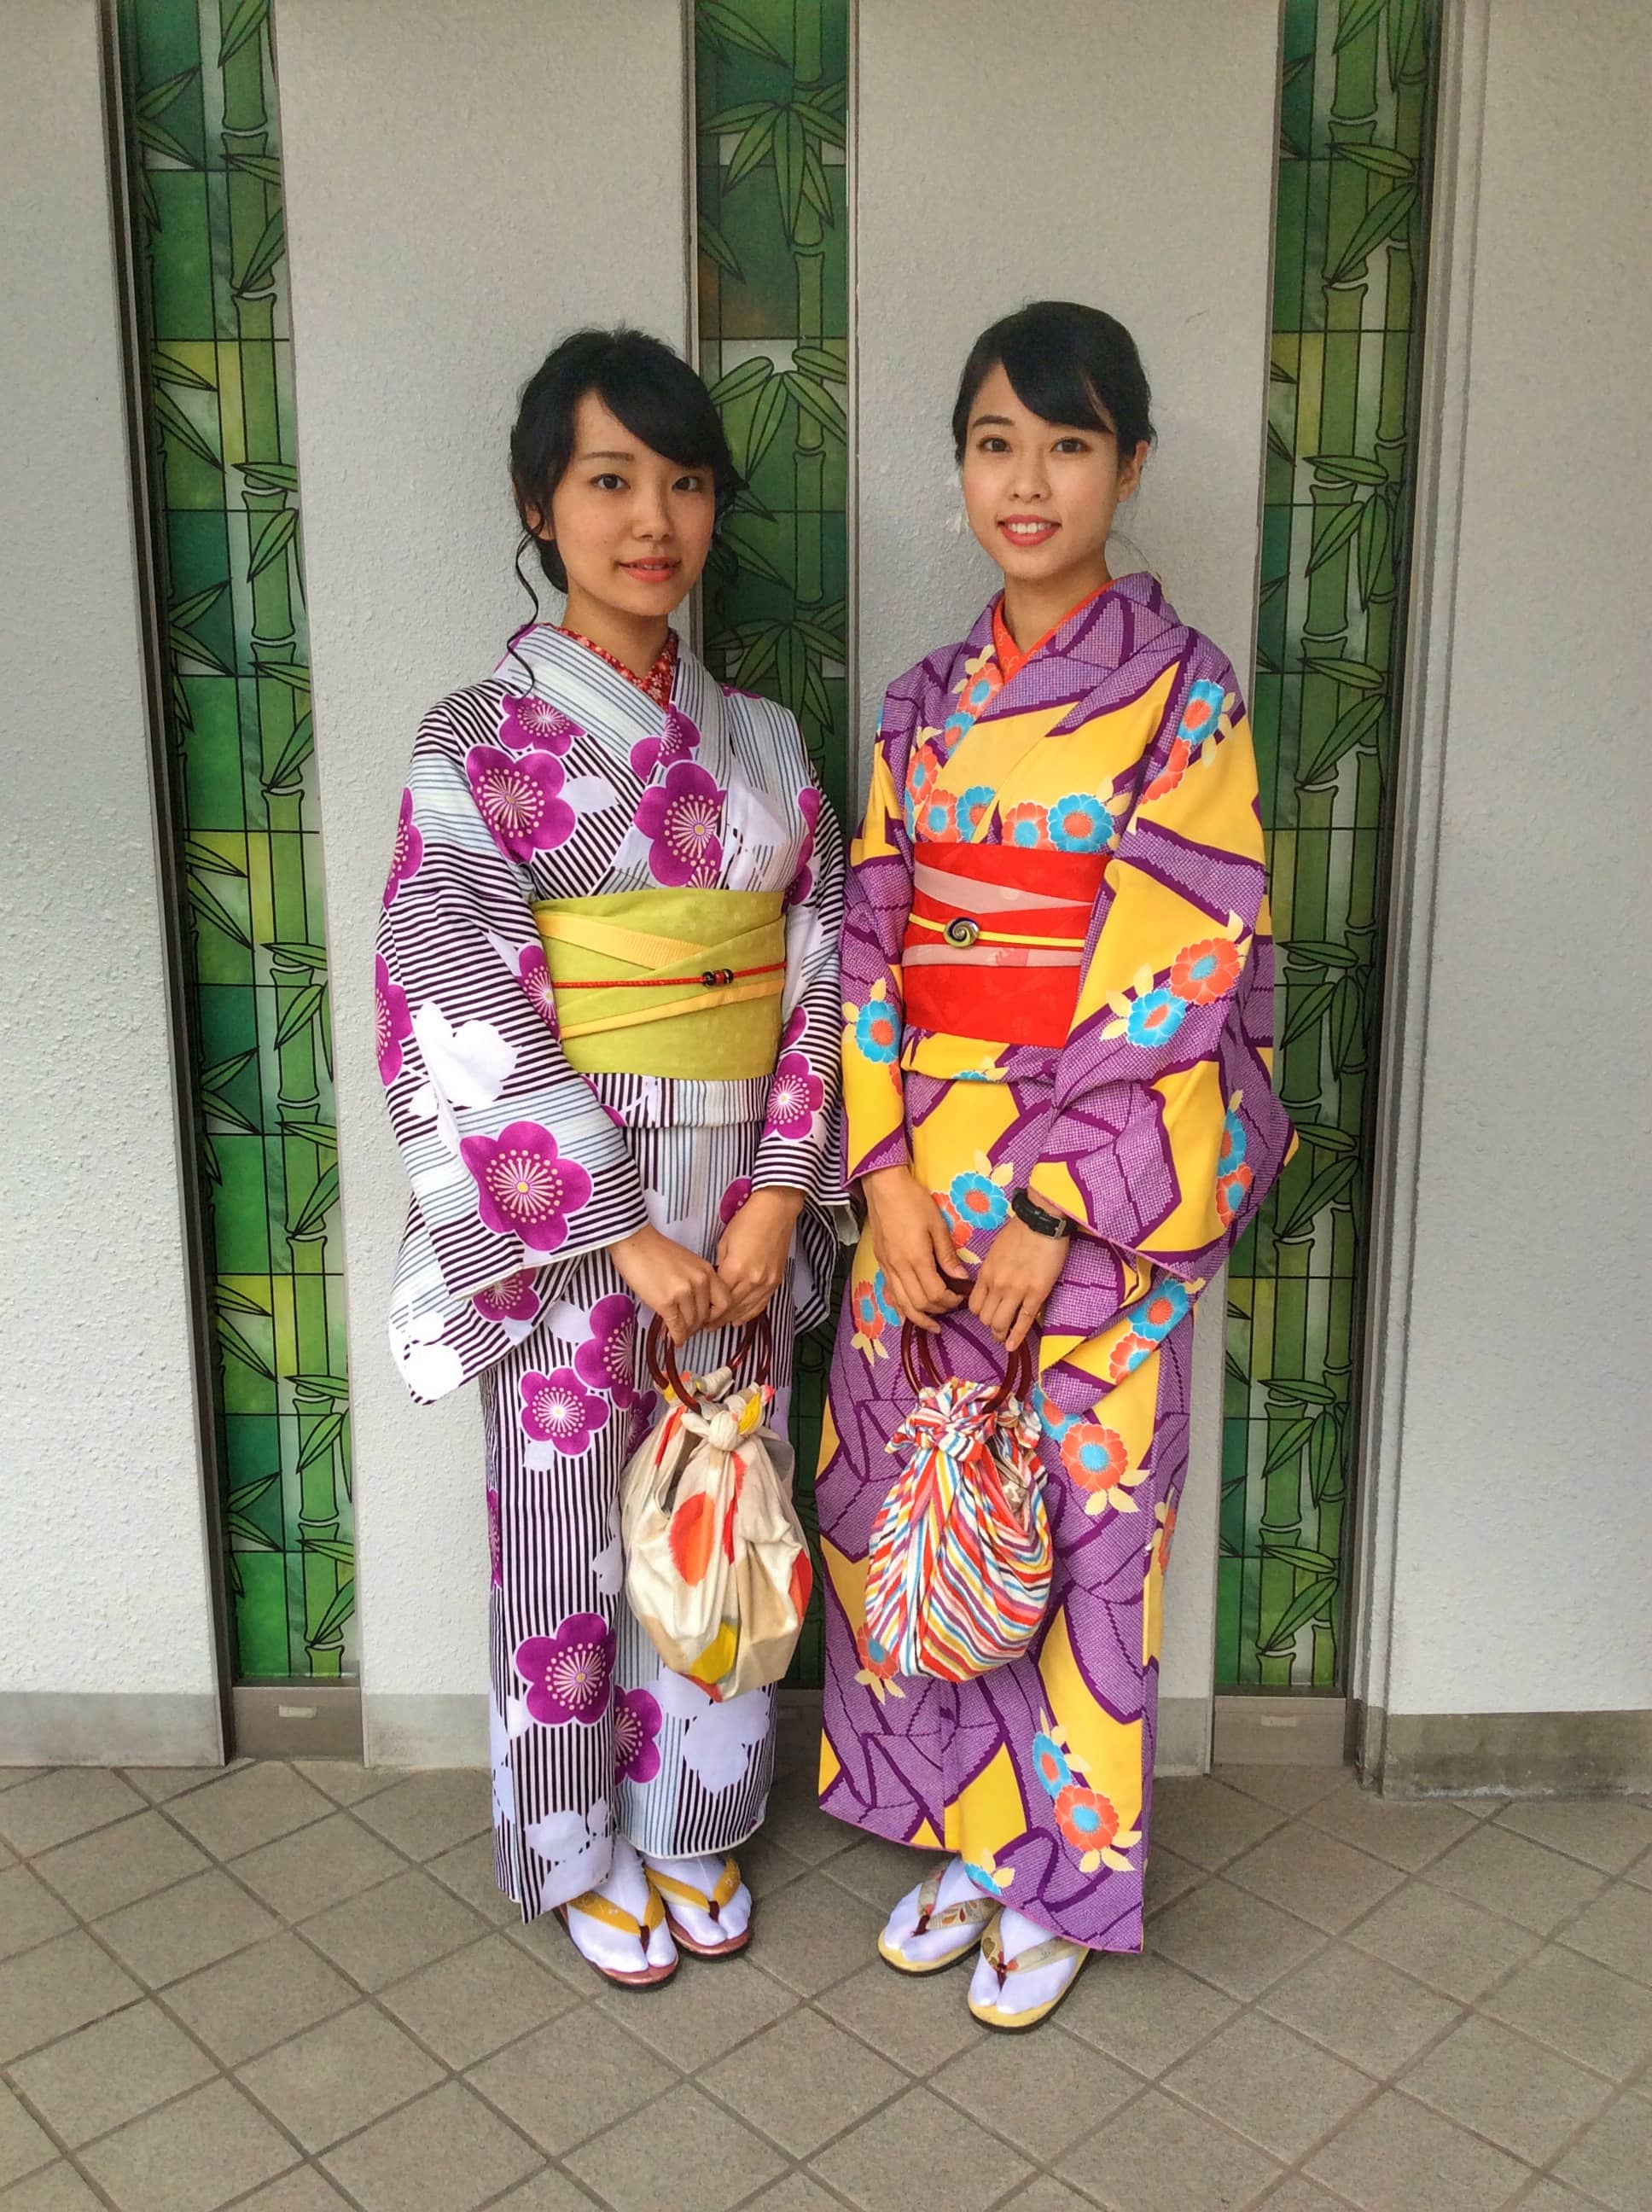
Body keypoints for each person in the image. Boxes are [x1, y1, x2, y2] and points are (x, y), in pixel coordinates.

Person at [816, 300, 1292, 2029]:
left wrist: (1048, 1198)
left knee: (1087, 1525)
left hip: (1091, 1177)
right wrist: (882, 1178)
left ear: (1129, 466)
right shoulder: (918, 705)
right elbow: (869, 943)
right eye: (995, 444)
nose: (1027, 482)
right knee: (927, 1500)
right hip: (921, 1181)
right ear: (959, 468)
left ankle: (1065, 1881)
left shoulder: (1186, 693)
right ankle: (966, 1830)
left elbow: (1187, 956)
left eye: (1068, 444)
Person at [375, 328, 845, 1988]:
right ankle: (576, 1842)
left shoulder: (768, 745)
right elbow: (450, 980)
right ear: (540, 503)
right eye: (609, 479)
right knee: (564, 1522)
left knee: (720, 1489)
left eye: (685, 482)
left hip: (738, 1197)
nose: (653, 518)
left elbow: (820, 975)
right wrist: (622, 1229)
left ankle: (694, 1814)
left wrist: (777, 1194)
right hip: (573, 1218)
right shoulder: (474, 740)